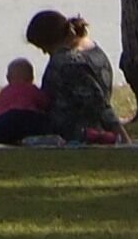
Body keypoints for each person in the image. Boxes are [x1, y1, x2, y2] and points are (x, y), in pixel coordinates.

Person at [24, 9, 124, 142]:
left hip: (74, 133)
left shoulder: (67, 63)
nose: (44, 52)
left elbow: (99, 105)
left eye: (43, 47)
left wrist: (123, 137)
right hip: (92, 128)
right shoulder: (93, 49)